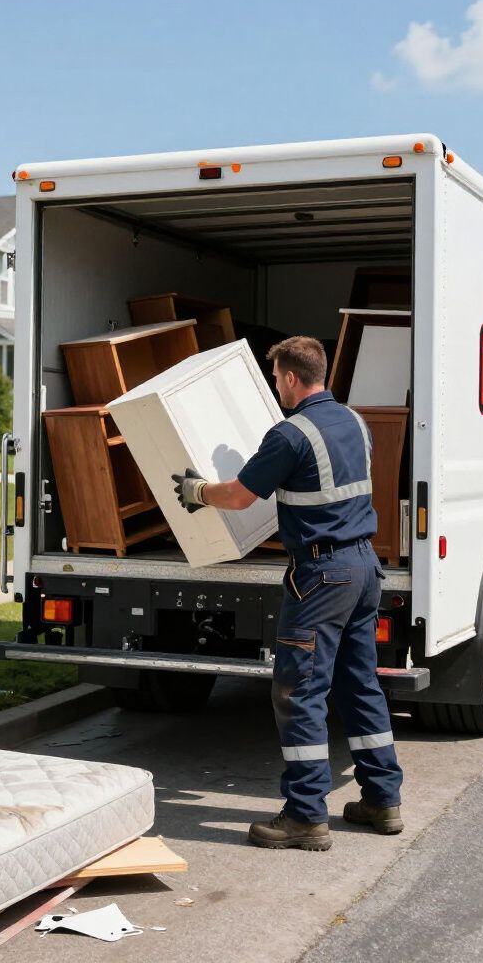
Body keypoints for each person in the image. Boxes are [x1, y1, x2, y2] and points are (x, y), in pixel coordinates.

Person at [172, 336, 404, 851]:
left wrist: (196, 492)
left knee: (300, 692)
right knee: (360, 686)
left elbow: (237, 495)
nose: (275, 384)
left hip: (321, 577)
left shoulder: (291, 435)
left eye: (277, 376)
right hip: (364, 568)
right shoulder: (355, 422)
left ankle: (304, 817)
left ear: (293, 378)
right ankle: (383, 799)